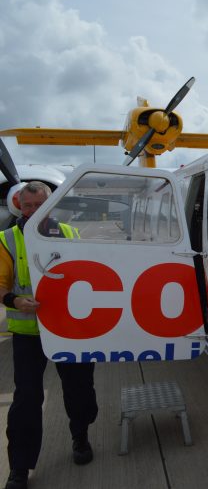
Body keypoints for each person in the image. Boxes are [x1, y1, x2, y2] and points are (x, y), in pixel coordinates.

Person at [0, 182, 97, 489]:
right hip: (29, 334)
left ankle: (80, 437)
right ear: (19, 207)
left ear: (50, 206)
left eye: (38, 205)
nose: (32, 212)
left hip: (68, 330)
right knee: (27, 398)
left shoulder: (71, 235)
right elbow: (0, 284)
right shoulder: (6, 240)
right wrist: (13, 300)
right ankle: (19, 467)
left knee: (80, 388)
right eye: (27, 206)